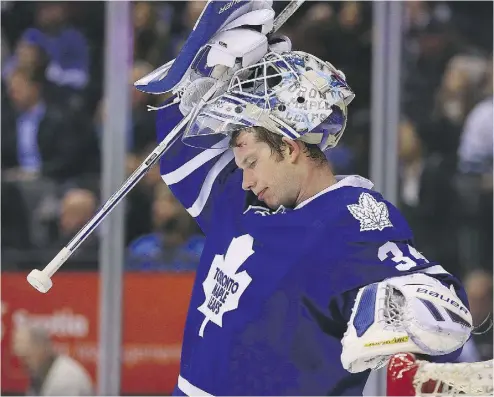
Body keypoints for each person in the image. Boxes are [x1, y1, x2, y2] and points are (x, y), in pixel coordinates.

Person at [136, 2, 473, 395]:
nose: (243, 179)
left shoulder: (348, 220)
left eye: (250, 161)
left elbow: (446, 309)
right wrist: (209, 70)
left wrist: (395, 311)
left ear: (290, 147)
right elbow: (175, 147)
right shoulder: (243, 199)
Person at [12, 325, 94, 396]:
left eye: (26, 357)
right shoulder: (40, 376)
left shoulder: (65, 380)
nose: (23, 365)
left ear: (42, 348)